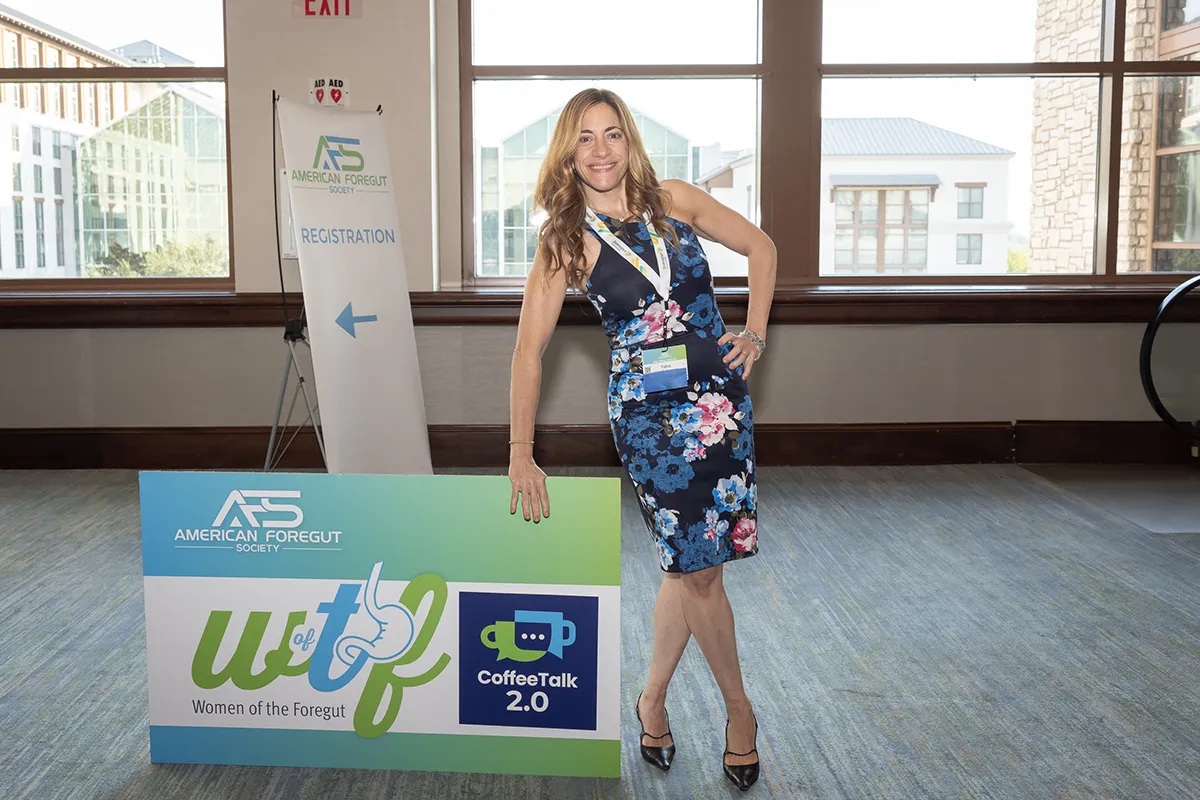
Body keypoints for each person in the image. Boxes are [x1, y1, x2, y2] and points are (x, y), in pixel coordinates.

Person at [506, 87, 776, 791]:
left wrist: (755, 330)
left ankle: (651, 702)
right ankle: (740, 713)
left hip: (720, 405)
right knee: (701, 570)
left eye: (612, 134)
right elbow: (528, 351)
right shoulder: (565, 239)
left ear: (630, 141)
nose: (601, 150)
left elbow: (761, 246)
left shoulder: (675, 199)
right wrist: (518, 451)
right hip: (651, 422)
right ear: (568, 153)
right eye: (585, 138)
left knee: (688, 566)